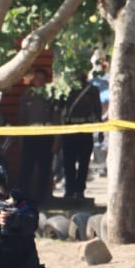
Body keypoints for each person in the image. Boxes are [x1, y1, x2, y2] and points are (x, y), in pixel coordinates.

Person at [17, 67, 56, 204]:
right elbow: (22, 118)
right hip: (29, 136)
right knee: (26, 167)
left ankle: (42, 198)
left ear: (46, 81)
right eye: (36, 79)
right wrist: (21, 139)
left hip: (46, 136)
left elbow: (56, 118)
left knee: (44, 168)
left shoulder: (52, 95)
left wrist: (57, 140)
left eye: (42, 79)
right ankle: (23, 197)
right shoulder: (27, 95)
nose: (39, 82)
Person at [60, 72, 101, 203]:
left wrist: (100, 131)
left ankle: (80, 191)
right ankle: (69, 190)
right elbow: (60, 108)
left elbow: (97, 110)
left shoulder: (92, 90)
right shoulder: (66, 89)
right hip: (69, 129)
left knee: (84, 163)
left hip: (85, 129)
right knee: (68, 163)